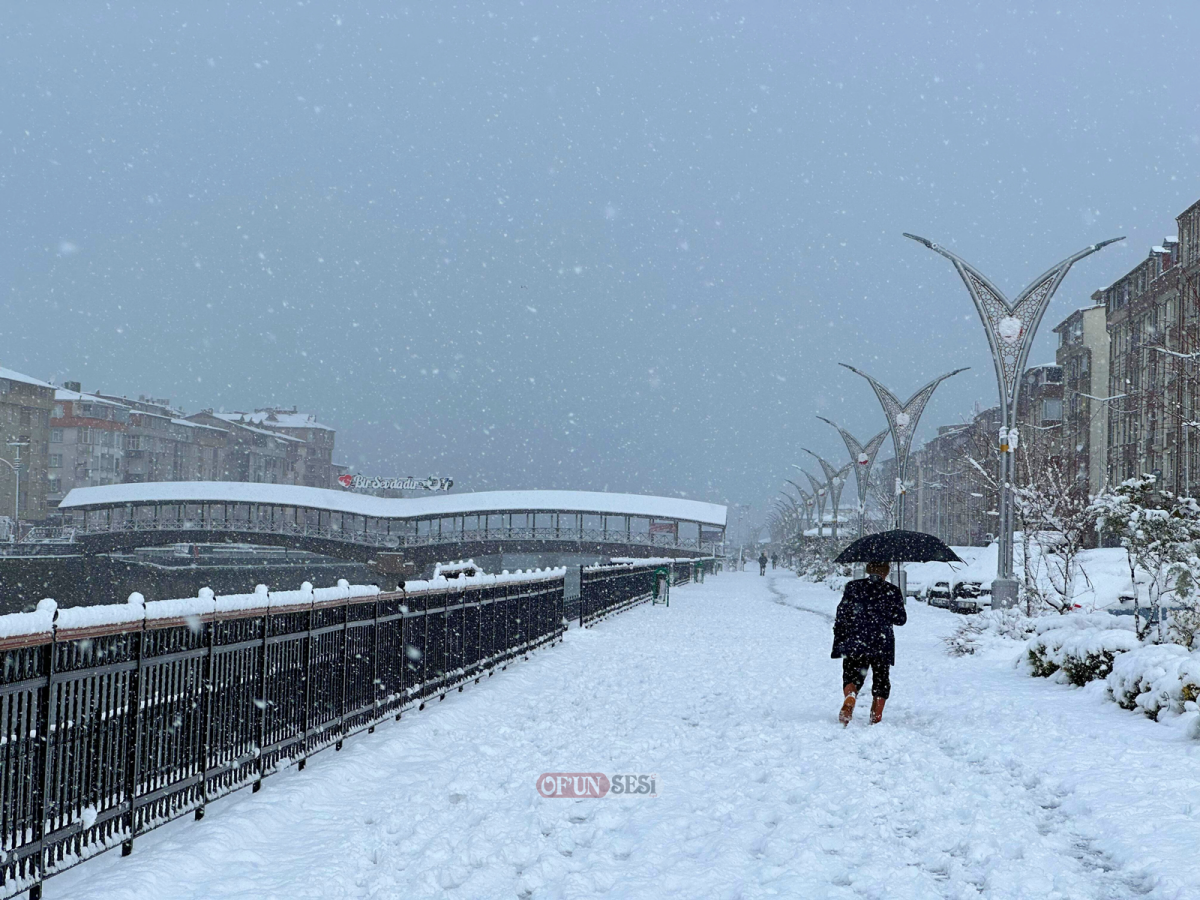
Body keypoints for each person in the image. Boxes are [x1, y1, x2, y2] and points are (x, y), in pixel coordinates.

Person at [830, 561, 906, 725]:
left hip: (857, 639)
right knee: (881, 677)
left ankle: (851, 696)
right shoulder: (892, 591)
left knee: (851, 674)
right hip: (881, 641)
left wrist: (841, 632)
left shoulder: (853, 587)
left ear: (868, 570)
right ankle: (876, 713)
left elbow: (842, 612)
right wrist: (892, 606)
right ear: (885, 573)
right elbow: (901, 619)